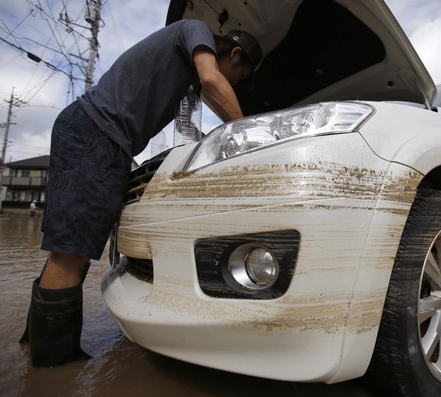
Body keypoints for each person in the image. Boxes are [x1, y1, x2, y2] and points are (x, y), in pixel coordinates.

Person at [19, 18, 263, 367]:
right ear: (234, 53)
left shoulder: (186, 72)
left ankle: (35, 344)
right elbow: (213, 80)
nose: (235, 82)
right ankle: (55, 364)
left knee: (71, 246)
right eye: (238, 75)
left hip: (101, 138)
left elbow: (211, 94)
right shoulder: (196, 30)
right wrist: (248, 134)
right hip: (97, 133)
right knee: (71, 252)